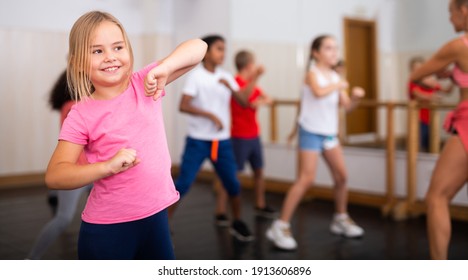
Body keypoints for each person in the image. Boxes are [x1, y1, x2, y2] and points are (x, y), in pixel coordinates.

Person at [44, 11, 207, 259]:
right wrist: (106, 167)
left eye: (118, 47)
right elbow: (56, 175)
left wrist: (165, 67)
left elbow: (199, 47)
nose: (110, 57)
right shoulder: (81, 115)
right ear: (78, 63)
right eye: (97, 51)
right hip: (107, 230)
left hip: (156, 218)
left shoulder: (145, 83)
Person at [266, 35, 365, 250]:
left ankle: (340, 218)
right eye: (329, 48)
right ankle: (280, 226)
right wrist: (339, 83)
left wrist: (355, 97)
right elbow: (319, 93)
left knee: (342, 177)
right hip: (310, 131)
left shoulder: (335, 77)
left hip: (329, 134)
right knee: (305, 179)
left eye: (336, 48)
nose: (334, 52)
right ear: (316, 52)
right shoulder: (312, 74)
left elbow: (346, 107)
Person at [171, 35, 260, 242]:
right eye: (219, 49)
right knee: (183, 184)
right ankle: (161, 225)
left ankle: (236, 222)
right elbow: (183, 105)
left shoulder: (226, 76)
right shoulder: (196, 76)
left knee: (233, 185)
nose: (223, 53)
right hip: (198, 141)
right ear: (207, 52)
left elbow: (244, 102)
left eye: (224, 49)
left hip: (222, 143)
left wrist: (236, 84)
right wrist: (210, 115)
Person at [410, 0, 468, 260]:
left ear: (464, 10)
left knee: (437, 197)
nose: (449, 19)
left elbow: (417, 75)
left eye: (450, 13)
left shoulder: (458, 46)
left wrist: (446, 71)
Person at [27, 71, 93, 260]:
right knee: (63, 219)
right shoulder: (74, 107)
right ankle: (30, 260)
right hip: (77, 173)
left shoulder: (76, 104)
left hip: (94, 172)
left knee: (100, 215)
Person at [214, 50, 276, 222]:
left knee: (258, 171)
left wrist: (259, 102)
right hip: (238, 136)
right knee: (231, 175)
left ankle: (260, 205)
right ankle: (220, 211)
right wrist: (255, 81)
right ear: (250, 66)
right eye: (254, 64)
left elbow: (268, 99)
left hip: (254, 135)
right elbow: (245, 100)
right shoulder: (236, 83)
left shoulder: (250, 83)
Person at [408, 57, 452, 152]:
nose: (418, 71)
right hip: (418, 118)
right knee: (418, 144)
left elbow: (447, 91)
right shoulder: (413, 82)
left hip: (430, 118)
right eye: (415, 69)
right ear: (411, 71)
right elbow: (417, 94)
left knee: (431, 143)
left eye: (420, 68)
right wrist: (433, 97)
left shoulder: (430, 83)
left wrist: (453, 78)